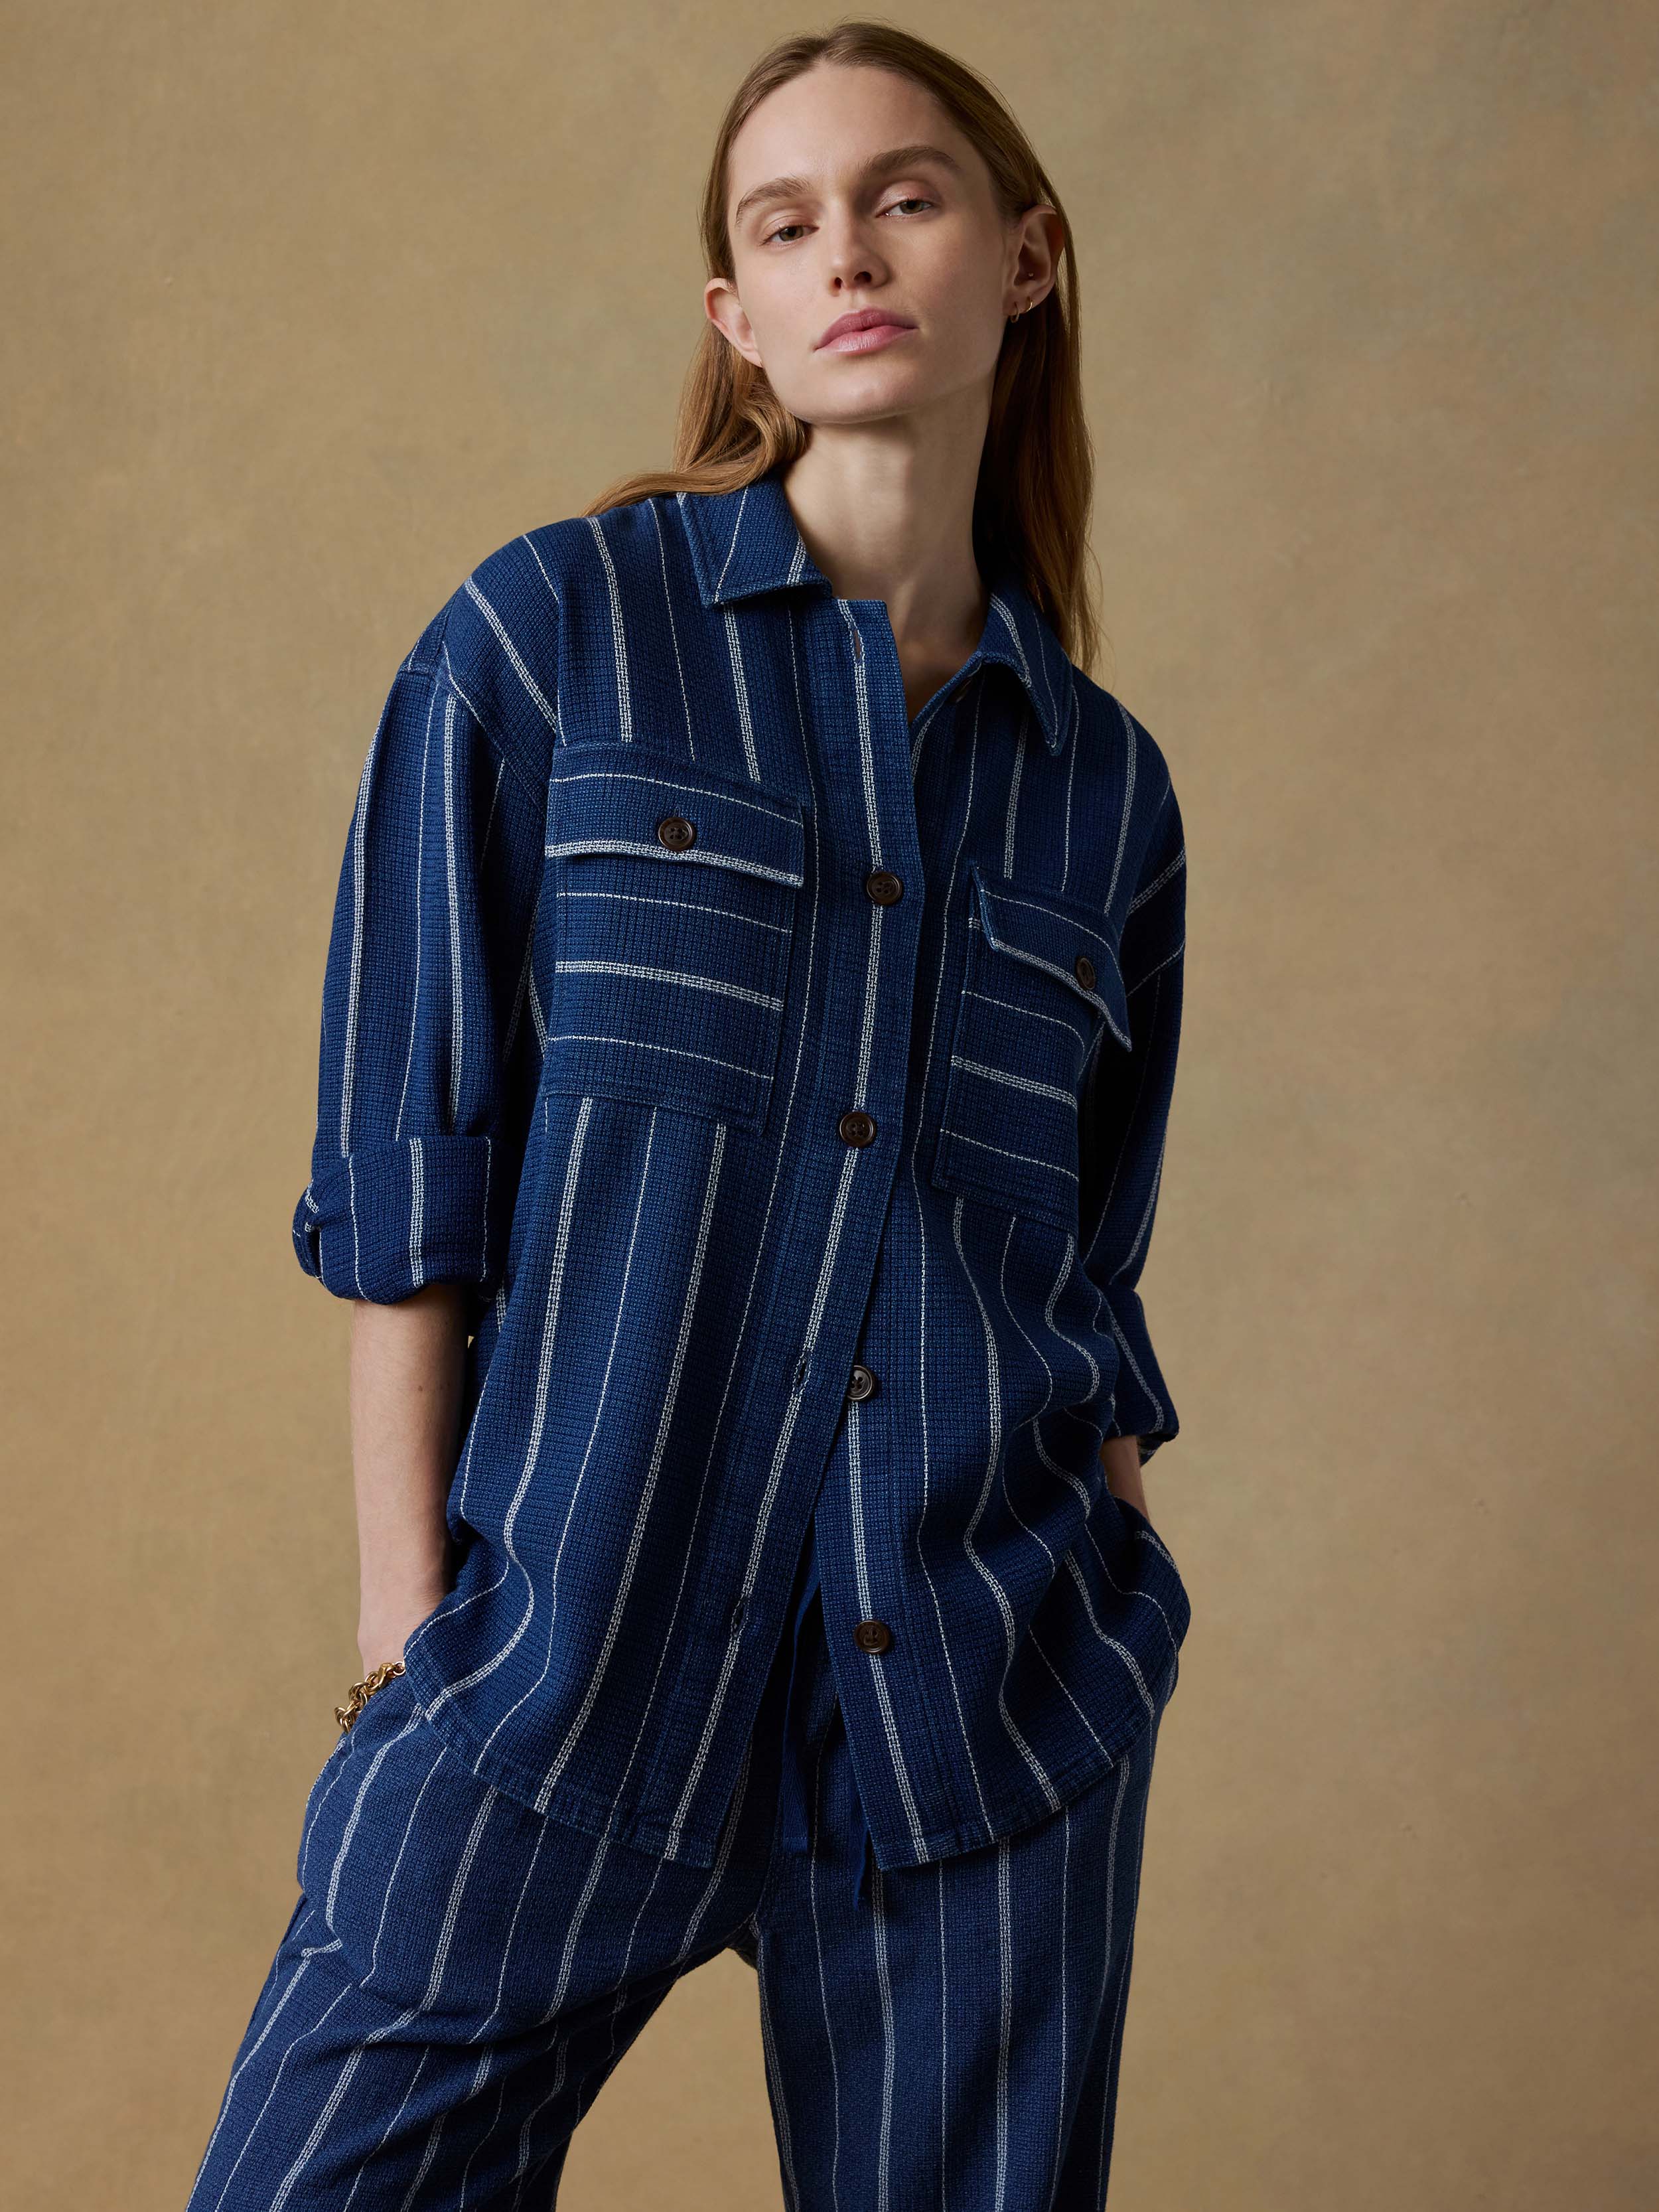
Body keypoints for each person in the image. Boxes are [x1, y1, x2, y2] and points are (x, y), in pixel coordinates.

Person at [185, 21, 1192, 2209]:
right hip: (561, 1666)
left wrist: (1106, 1563)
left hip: (975, 1709)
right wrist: (408, 1649)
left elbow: (1085, 1272)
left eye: (905, 196)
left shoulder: (1099, 790)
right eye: (786, 218)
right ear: (732, 317)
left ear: (1022, 256)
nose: (851, 251)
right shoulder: (548, 644)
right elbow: (411, 1192)